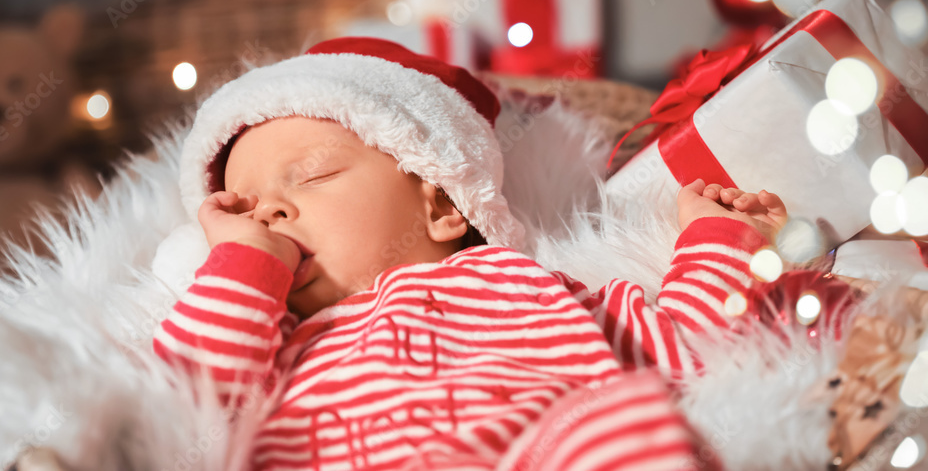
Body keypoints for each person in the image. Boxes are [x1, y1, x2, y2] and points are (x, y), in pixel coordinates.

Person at [153, 37, 790, 471]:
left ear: (441, 205)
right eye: (246, 207)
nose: (268, 212)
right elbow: (184, 402)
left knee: (620, 428)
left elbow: (677, 351)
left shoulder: (521, 287)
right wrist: (242, 268)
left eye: (313, 176)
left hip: (542, 453)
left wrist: (718, 240)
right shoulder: (272, 345)